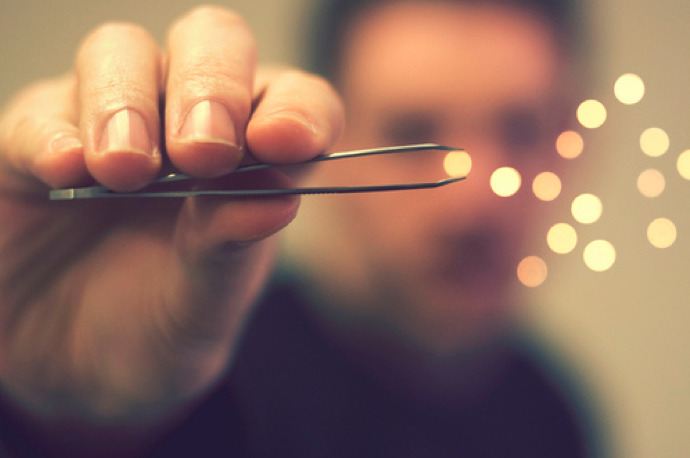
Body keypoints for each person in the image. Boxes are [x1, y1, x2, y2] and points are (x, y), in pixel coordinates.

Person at [0, 0, 601, 456]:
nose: (475, 200)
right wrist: (64, 422)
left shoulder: (553, 412)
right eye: (410, 132)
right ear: (328, 140)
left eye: (523, 129)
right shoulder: (197, 369)